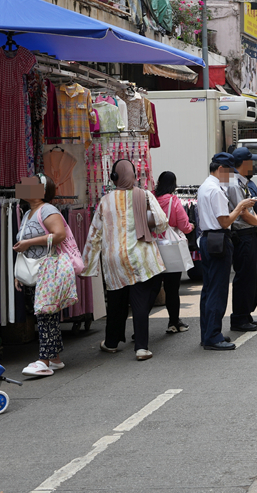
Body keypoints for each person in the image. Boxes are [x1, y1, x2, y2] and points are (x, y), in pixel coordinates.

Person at [84, 160, 169, 361]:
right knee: (139, 302)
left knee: (116, 302)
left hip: (114, 260)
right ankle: (141, 348)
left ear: (114, 177)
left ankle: (111, 343)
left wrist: (87, 265)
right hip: (140, 257)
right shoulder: (145, 195)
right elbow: (162, 222)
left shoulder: (105, 201)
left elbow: (94, 234)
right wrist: (146, 222)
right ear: (134, 175)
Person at [14, 175, 77, 377]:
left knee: (44, 315)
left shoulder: (48, 210)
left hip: (48, 268)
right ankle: (55, 358)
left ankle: (44, 360)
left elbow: (59, 235)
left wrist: (30, 243)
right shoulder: (28, 213)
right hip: (36, 270)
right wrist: (20, 273)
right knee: (46, 313)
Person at [195, 153, 257, 351]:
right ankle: (213, 335)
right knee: (217, 290)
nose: (231, 176)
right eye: (230, 172)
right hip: (218, 238)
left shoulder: (205, 186)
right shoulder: (215, 190)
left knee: (208, 289)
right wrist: (240, 206)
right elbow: (224, 221)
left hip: (207, 239)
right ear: (221, 170)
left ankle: (208, 333)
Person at [226, 147, 257, 332]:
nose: (253, 165)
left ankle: (246, 315)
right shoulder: (234, 183)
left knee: (253, 277)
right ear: (244, 163)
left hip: (250, 234)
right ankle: (239, 318)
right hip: (243, 235)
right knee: (244, 278)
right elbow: (244, 213)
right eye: (251, 161)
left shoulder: (242, 182)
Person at [153, 171, 195, 334]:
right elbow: (184, 225)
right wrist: (191, 226)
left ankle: (140, 327)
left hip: (153, 248)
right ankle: (174, 322)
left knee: (151, 288)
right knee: (172, 289)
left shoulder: (151, 199)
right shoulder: (173, 201)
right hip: (170, 248)